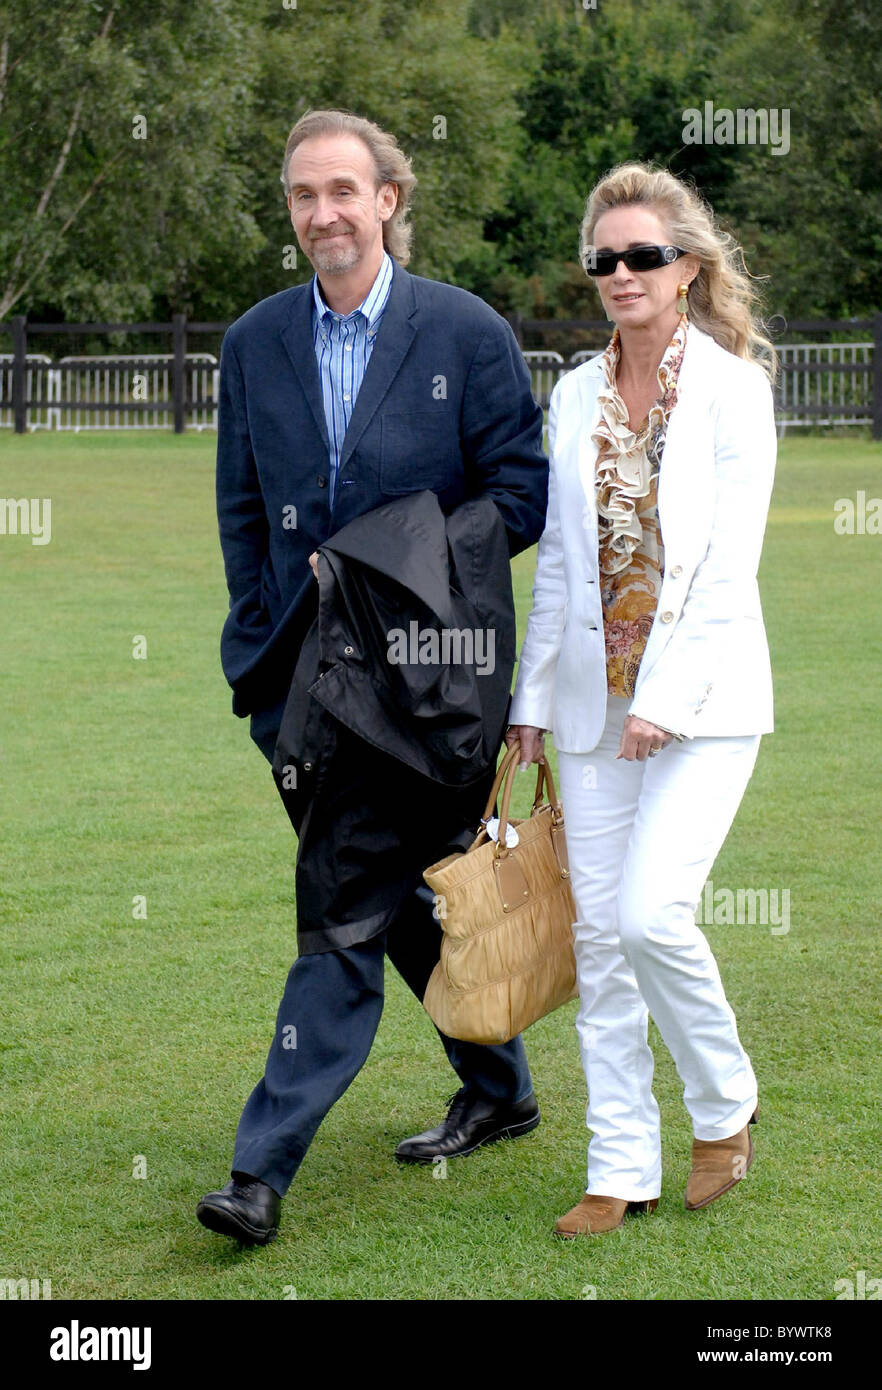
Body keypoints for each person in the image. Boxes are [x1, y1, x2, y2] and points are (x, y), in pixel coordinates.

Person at [197, 110, 549, 1246]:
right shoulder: (254, 342)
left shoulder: (465, 331)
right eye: (303, 195)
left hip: (430, 683)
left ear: (390, 198)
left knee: (345, 905)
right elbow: (241, 506)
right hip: (299, 682)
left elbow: (520, 494)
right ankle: (499, 1090)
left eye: (343, 191)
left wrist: (398, 564)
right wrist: (263, 632)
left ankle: (261, 1171)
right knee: (390, 897)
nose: (322, 215)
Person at [506, 162, 777, 1237]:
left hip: (705, 706)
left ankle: (725, 1103)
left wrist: (662, 695)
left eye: (643, 257)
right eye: (603, 259)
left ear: (686, 267)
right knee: (602, 947)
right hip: (589, 708)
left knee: (652, 913)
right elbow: (565, 567)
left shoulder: (734, 389)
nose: (622, 274)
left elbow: (724, 566)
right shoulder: (573, 395)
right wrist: (529, 704)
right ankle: (620, 1165)